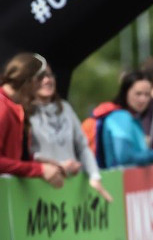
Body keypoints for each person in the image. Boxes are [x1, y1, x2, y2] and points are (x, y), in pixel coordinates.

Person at [29, 60, 113, 201]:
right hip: (41, 191)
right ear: (28, 82)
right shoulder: (24, 112)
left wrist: (94, 176)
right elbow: (27, 154)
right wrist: (59, 166)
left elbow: (82, 145)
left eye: (50, 75)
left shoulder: (65, 108)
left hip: (71, 188)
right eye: (41, 76)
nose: (47, 80)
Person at [0, 53, 65, 187]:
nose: (41, 86)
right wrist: (40, 169)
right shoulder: (3, 107)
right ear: (30, 81)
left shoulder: (13, 107)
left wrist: (37, 163)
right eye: (40, 80)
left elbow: (11, 158)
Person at [102, 71, 153, 168]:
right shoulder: (120, 117)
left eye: (147, 94)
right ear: (125, 92)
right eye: (138, 94)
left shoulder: (134, 117)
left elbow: (137, 153)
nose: (142, 99)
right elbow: (124, 157)